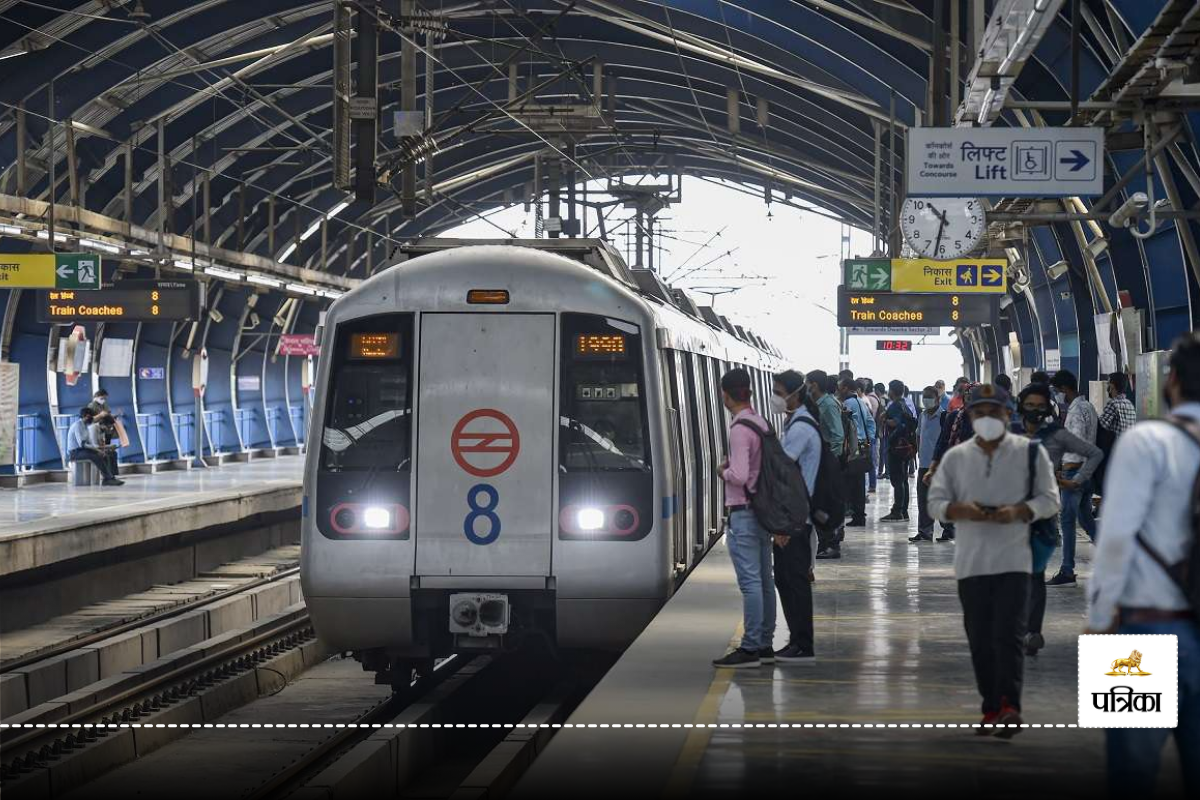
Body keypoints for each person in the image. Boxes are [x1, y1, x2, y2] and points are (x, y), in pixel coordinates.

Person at [1088, 332, 1199, 795]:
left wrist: (1097, 621)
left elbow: (1114, 538)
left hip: (1144, 628)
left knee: (1130, 773)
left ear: (1171, 381)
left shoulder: (1147, 441)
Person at [927, 384, 1060, 736]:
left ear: (1008, 414)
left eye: (994, 413)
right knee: (980, 638)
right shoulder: (957, 458)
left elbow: (1051, 499)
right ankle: (991, 704)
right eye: (979, 413)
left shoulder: (1030, 454)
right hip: (972, 564)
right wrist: (958, 509)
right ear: (970, 416)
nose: (987, 419)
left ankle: (1010, 705)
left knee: (1009, 635)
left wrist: (1021, 511)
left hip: (1015, 560)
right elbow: (935, 502)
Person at [1016, 384, 1102, 656]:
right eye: (1029, 404)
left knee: (1035, 574)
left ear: (1049, 408)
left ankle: (1032, 632)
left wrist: (1075, 482)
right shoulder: (1009, 434)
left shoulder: (1057, 436)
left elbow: (1095, 453)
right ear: (1020, 406)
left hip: (1041, 515)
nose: (1035, 410)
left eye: (1040, 405)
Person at [713, 368, 775, 669]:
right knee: (764, 580)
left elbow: (737, 475)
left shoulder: (739, 428)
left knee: (750, 582)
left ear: (725, 395)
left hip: (745, 512)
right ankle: (764, 643)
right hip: (761, 511)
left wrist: (721, 470)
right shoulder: (761, 421)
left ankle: (749, 647)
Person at [770, 370, 820, 663]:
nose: (775, 397)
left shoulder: (801, 427)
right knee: (786, 580)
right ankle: (798, 641)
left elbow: (785, 473)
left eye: (778, 391)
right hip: (796, 514)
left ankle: (802, 644)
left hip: (796, 517)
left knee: (794, 582)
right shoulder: (798, 422)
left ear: (794, 393)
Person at [1047, 369, 1100, 587]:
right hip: (1088, 472)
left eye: (1057, 390)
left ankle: (1067, 570)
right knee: (1086, 519)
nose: (1057, 394)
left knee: (1067, 522)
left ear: (1064, 389)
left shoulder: (1076, 411)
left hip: (1074, 471)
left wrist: (1064, 469)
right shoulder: (1088, 406)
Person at [806, 370, 844, 559]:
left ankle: (831, 544)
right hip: (823, 458)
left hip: (827, 459)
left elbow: (837, 434)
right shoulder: (820, 402)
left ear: (814, 384)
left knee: (825, 503)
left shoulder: (827, 404)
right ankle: (826, 543)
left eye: (807, 383)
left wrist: (830, 459)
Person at [912, 386, 953, 543]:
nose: (926, 399)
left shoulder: (944, 417)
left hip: (939, 465)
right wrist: (919, 453)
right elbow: (918, 435)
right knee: (923, 499)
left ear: (937, 399)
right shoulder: (922, 415)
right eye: (924, 396)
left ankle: (949, 529)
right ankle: (924, 532)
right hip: (923, 465)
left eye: (929, 397)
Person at [838, 377, 874, 527]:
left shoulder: (846, 404)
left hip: (853, 448)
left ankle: (854, 513)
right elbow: (871, 422)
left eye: (840, 386)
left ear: (846, 388)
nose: (838, 389)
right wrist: (868, 439)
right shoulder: (861, 401)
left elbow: (843, 427)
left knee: (850, 482)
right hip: (863, 445)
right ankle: (860, 515)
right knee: (859, 482)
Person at [1094, 372, 1137, 493]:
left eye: (1108, 385)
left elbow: (1101, 426)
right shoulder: (1130, 405)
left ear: (1112, 386)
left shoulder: (1113, 404)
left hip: (1113, 456)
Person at [881, 380, 916, 522]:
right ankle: (903, 510)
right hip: (905, 447)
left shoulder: (896, 405)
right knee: (903, 480)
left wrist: (885, 421)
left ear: (892, 391)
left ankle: (897, 511)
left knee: (897, 480)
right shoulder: (905, 404)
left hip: (896, 447)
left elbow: (897, 423)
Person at [66, 407, 124, 486]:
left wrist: (100, 450)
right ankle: (108, 478)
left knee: (104, 455)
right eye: (91, 417)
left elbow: (89, 443)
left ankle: (109, 477)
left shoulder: (85, 426)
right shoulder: (77, 426)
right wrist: (97, 450)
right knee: (96, 456)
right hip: (75, 452)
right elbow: (82, 444)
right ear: (86, 416)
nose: (93, 418)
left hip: (82, 450)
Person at [860, 378, 881, 494]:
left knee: (868, 460)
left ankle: (871, 485)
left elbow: (869, 419)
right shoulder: (868, 399)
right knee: (868, 459)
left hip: (867, 436)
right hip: (869, 435)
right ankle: (870, 485)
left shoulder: (867, 400)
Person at [874, 381, 890, 479]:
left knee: (883, 450)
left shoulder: (883, 400)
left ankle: (884, 472)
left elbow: (882, 416)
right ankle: (884, 471)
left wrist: (879, 430)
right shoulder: (886, 399)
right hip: (885, 429)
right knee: (884, 450)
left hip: (884, 430)